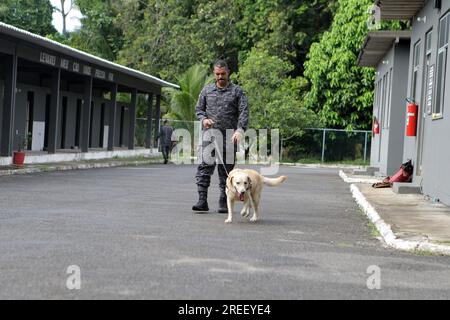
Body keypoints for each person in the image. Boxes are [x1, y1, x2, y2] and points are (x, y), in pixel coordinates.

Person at [192, 60, 249, 213]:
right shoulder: (207, 90)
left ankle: (224, 201)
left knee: (227, 171)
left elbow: (244, 112)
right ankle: (202, 200)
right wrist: (204, 119)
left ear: (228, 72)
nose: (220, 77)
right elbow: (199, 109)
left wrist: (240, 130)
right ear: (214, 73)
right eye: (217, 74)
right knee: (204, 166)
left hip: (229, 136)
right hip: (209, 135)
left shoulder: (238, 91)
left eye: (223, 74)